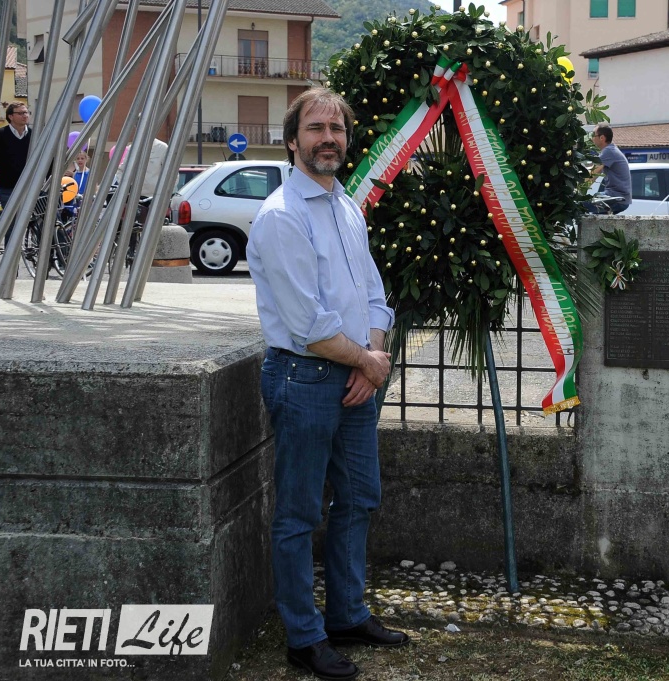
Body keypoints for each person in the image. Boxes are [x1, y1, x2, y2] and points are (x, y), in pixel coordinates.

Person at [246, 87, 407, 681]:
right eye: (316, 128)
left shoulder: (347, 207)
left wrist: (370, 359)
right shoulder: (282, 216)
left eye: (336, 128)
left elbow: (374, 296)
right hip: (305, 378)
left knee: (359, 498)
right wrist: (366, 362)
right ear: (293, 141)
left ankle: (346, 615)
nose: (328, 138)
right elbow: (307, 324)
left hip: (354, 376)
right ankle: (304, 636)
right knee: (298, 513)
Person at [0, 102, 32, 244]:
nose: (25, 115)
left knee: (45, 219)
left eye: (26, 112)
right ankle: (10, 258)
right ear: (10, 116)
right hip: (9, 188)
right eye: (20, 113)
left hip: (32, 186)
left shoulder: (35, 135)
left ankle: (51, 254)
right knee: (11, 225)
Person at [585, 123, 631, 214]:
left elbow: (592, 172)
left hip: (616, 198)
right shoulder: (610, 150)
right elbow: (594, 176)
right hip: (617, 197)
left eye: (593, 135)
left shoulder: (608, 151)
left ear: (602, 138)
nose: (591, 138)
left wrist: (576, 190)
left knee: (580, 205)